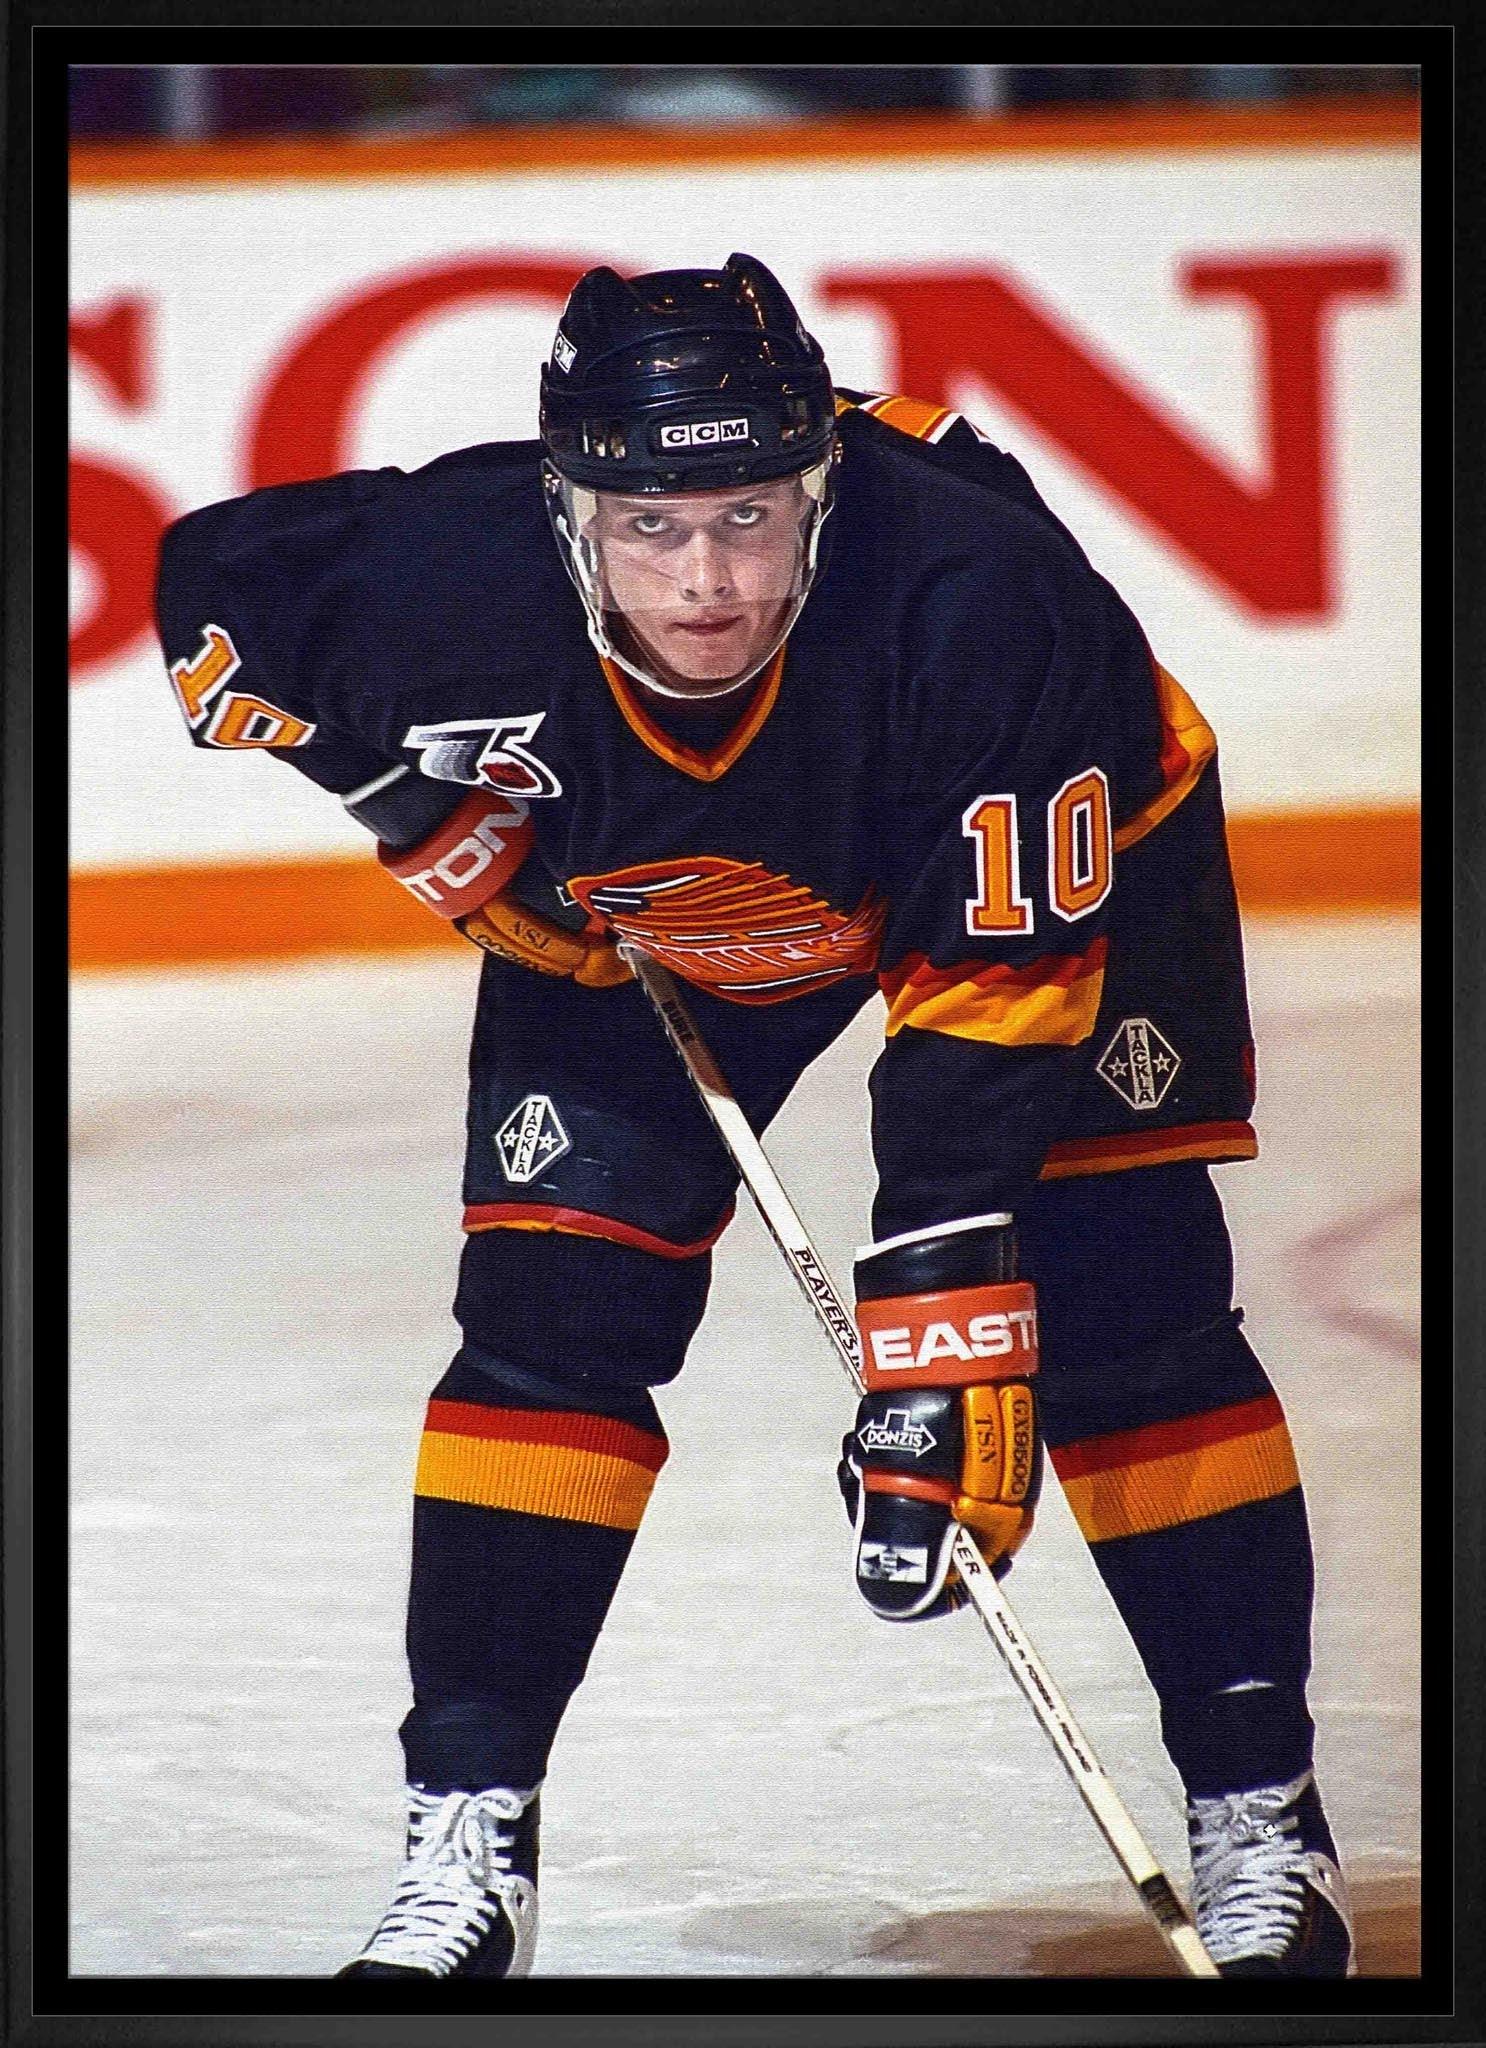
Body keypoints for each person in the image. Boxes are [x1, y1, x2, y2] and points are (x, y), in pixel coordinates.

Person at [154, 253, 1354, 1980]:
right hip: (684, 875)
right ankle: (467, 1845)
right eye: (648, 527)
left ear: (823, 489)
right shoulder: (440, 567)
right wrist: (423, 815)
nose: (705, 580)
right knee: (550, 1315)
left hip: (1044, 888)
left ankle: (1263, 1817)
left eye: (748, 516)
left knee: (1121, 1304)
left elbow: (989, 1005)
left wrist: (946, 1335)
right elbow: (216, 588)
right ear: (566, 509)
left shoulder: (987, 598)